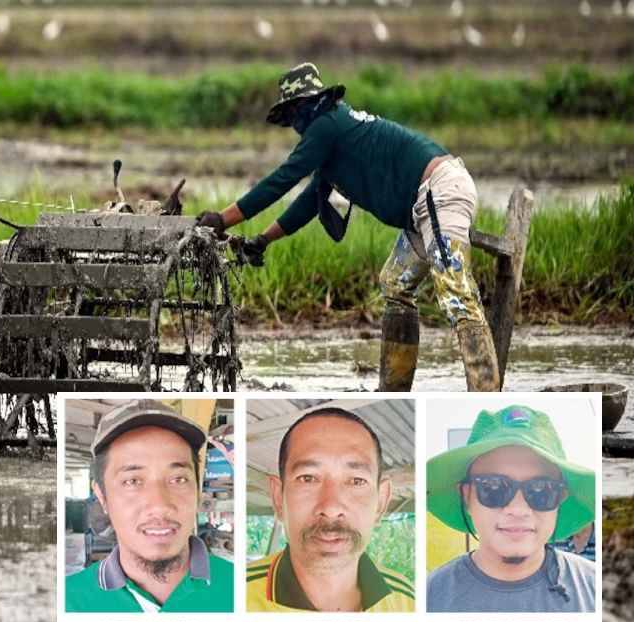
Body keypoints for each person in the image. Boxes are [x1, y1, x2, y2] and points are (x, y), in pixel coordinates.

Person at [196, 62, 499, 391]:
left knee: (457, 294)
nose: (294, 124)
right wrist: (263, 239)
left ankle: (484, 393)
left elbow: (282, 180)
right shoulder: (333, 136)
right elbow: (307, 203)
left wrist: (222, 219)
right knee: (395, 284)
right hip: (420, 210)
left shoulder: (327, 125)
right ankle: (393, 390)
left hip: (439, 193)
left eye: (293, 114)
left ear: (306, 104)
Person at [65, 399, 233, 612]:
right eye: (132, 481)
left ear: (198, 491)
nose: (160, 505)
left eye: (178, 479)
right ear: (102, 497)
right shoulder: (67, 602)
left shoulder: (239, 591)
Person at [427, 405, 596, 612]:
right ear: (467, 496)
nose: (518, 509)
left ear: (560, 499)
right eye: (493, 487)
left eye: (541, 490)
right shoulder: (430, 598)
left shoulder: (595, 591)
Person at [246, 407, 414, 612]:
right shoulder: (235, 596)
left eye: (356, 481)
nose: (331, 508)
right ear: (278, 498)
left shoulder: (408, 603)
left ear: (381, 502)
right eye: (308, 478)